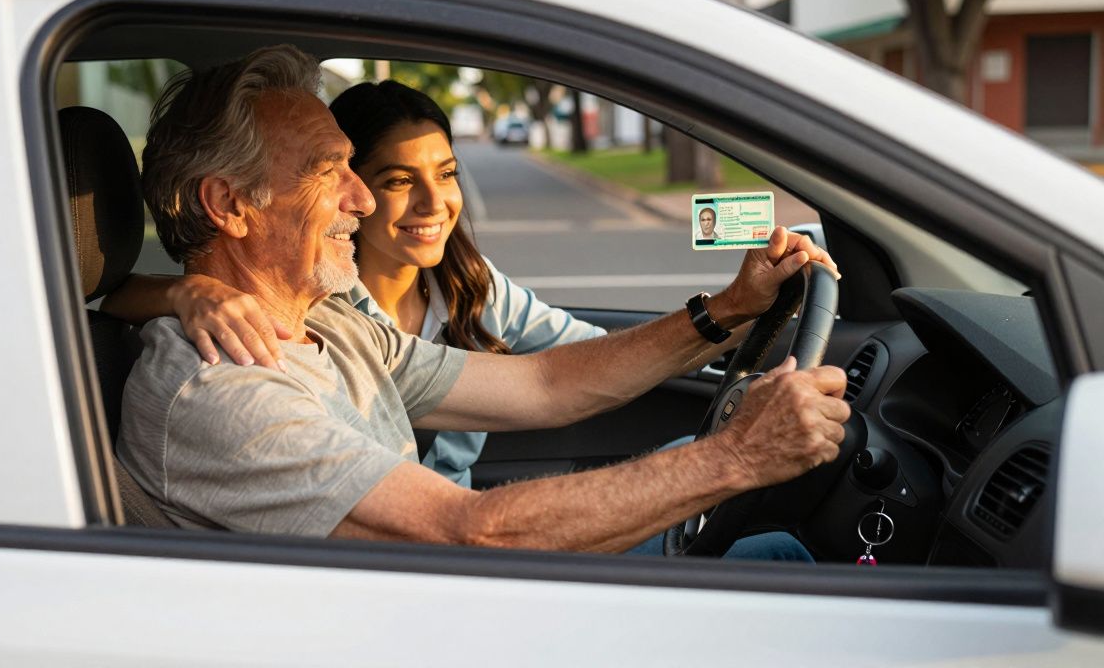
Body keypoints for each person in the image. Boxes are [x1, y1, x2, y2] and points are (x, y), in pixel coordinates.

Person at [116, 44, 849, 557]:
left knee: (777, 555)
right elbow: (468, 532)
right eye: (327, 171)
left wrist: (730, 307)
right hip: (440, 620)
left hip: (451, 602)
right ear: (229, 204)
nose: (362, 199)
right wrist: (738, 456)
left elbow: (547, 380)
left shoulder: (331, 327)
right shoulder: (220, 392)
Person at [107, 80, 608, 490]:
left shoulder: (471, 288)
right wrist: (185, 291)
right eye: (397, 181)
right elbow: (121, 296)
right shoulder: (318, 303)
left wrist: (689, 329)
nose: (434, 203)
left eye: (448, 173)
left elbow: (563, 375)